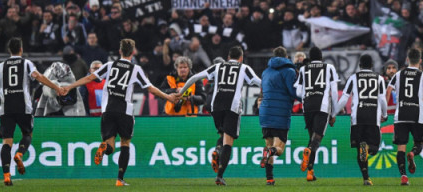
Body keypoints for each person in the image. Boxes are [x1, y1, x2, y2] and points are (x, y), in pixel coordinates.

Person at [62, 39, 178, 186]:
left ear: (120, 51)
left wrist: (70, 86)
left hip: (108, 109)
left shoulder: (109, 65)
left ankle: (105, 147)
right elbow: (150, 88)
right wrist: (168, 97)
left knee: (110, 145)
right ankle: (119, 179)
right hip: (125, 111)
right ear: (133, 52)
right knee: (125, 143)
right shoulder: (136, 69)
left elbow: (90, 77)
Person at [0, 37, 65, 186]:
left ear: (9, 50)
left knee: (7, 142)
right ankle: (19, 154)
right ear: (21, 49)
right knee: (27, 134)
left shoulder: (1, 65)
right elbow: (38, 77)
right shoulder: (26, 63)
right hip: (24, 107)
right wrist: (56, 88)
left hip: (6, 108)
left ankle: (6, 175)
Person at [178, 46, 261, 185]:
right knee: (228, 142)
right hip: (232, 107)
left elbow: (195, 77)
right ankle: (219, 176)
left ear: (228, 57)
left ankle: (217, 149)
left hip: (215, 107)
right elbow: (259, 82)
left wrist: (181, 92)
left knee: (223, 135)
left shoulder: (218, 66)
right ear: (241, 58)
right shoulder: (244, 68)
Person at [386, 48, 423, 186]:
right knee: (418, 144)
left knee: (401, 147)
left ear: (407, 59)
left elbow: (388, 92)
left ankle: (403, 176)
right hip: (417, 116)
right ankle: (413, 153)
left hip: (400, 115)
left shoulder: (398, 74)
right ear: (420, 60)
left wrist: (383, 113)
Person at [336, 54, 387, 186]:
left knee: (359, 148)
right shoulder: (379, 78)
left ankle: (366, 178)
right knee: (374, 148)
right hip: (373, 118)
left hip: (357, 118)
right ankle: (367, 148)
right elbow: (382, 99)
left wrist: (333, 113)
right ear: (372, 66)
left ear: (359, 66)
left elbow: (344, 98)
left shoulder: (353, 78)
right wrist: (385, 114)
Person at [295, 46, 339, 182]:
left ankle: (310, 172)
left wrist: (307, 96)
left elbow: (298, 92)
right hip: (322, 106)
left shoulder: (304, 69)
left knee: (312, 138)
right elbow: (334, 92)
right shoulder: (329, 67)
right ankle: (308, 152)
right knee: (316, 140)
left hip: (307, 107)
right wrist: (334, 113)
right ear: (321, 57)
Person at [259, 46, 300, 186]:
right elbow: (293, 92)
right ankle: (270, 152)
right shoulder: (289, 71)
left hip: (265, 112)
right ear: (286, 57)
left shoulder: (265, 72)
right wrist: (306, 98)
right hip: (281, 112)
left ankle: (269, 178)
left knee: (268, 145)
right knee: (278, 149)